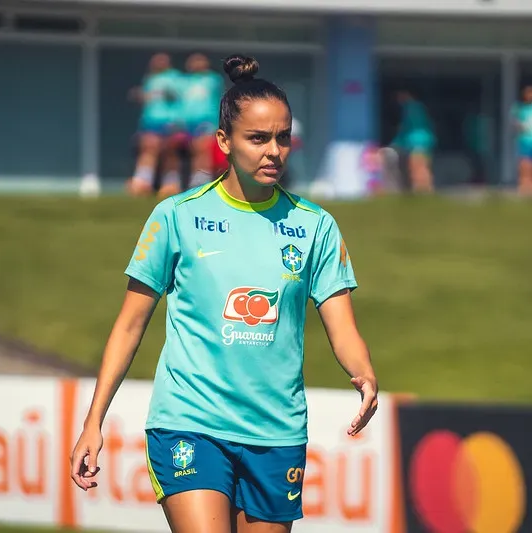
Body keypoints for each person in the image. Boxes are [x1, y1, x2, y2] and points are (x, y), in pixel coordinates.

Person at [70, 54, 379, 533]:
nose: (273, 150)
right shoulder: (175, 217)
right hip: (189, 422)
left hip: (277, 432)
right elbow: (130, 325)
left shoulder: (316, 226)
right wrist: (94, 420)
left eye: (283, 137)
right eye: (258, 138)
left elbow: (342, 327)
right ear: (223, 142)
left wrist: (364, 374)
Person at [126, 52, 185, 198]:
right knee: (148, 149)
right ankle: (142, 182)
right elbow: (148, 98)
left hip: (169, 120)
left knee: (170, 153)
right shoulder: (150, 78)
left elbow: (178, 95)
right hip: (151, 120)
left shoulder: (175, 77)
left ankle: (170, 184)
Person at [181, 52, 226, 189]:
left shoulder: (213, 79)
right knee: (195, 150)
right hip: (188, 122)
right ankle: (196, 178)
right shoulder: (185, 81)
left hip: (206, 120)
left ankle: (202, 179)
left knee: (204, 148)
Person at [390, 90, 436, 193]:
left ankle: (422, 190)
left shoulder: (410, 108)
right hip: (424, 141)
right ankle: (425, 189)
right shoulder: (419, 107)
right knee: (422, 166)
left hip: (417, 142)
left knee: (418, 166)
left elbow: (407, 127)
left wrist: (397, 142)